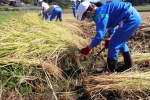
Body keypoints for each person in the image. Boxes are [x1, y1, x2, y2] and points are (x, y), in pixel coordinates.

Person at [77, 1, 141, 72]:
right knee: (119, 41)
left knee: (113, 44)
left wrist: (88, 48)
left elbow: (99, 36)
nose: (85, 19)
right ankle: (128, 65)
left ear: (88, 12)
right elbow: (112, 24)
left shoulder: (100, 15)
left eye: (84, 16)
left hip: (130, 19)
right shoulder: (101, 10)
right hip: (131, 17)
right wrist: (109, 37)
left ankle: (111, 70)